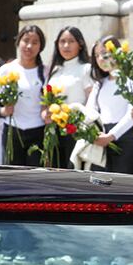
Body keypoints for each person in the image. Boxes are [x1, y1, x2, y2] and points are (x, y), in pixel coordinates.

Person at [0, 25, 47, 167]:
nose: (29, 46)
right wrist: (5, 111)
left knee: (34, 177)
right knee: (12, 177)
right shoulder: (6, 70)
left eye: (35, 42)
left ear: (41, 46)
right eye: (26, 40)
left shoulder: (45, 72)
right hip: (12, 131)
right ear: (18, 42)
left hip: (38, 132)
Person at [87, 37, 133, 173]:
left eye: (104, 54)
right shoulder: (99, 84)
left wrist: (112, 136)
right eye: (96, 56)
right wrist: (93, 133)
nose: (100, 59)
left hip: (125, 137)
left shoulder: (130, 80)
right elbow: (90, 110)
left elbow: (132, 113)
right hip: (101, 139)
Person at [46, 26, 92, 167]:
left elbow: (91, 98)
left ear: (80, 44)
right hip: (55, 130)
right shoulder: (55, 70)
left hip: (75, 131)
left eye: (71, 41)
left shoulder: (86, 68)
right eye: (62, 41)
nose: (66, 46)